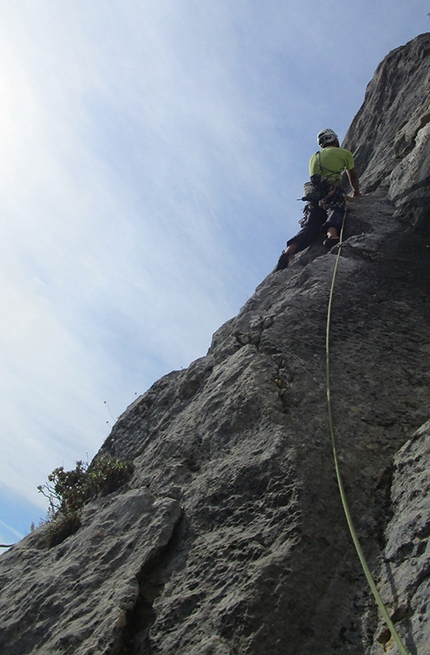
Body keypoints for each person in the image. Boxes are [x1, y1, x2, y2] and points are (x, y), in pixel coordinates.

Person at [276, 128, 360, 270]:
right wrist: (356, 191)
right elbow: (352, 175)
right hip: (332, 190)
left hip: (315, 196)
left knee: (311, 225)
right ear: (334, 139)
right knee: (336, 208)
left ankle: (288, 252)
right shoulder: (344, 153)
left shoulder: (314, 157)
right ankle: (331, 235)